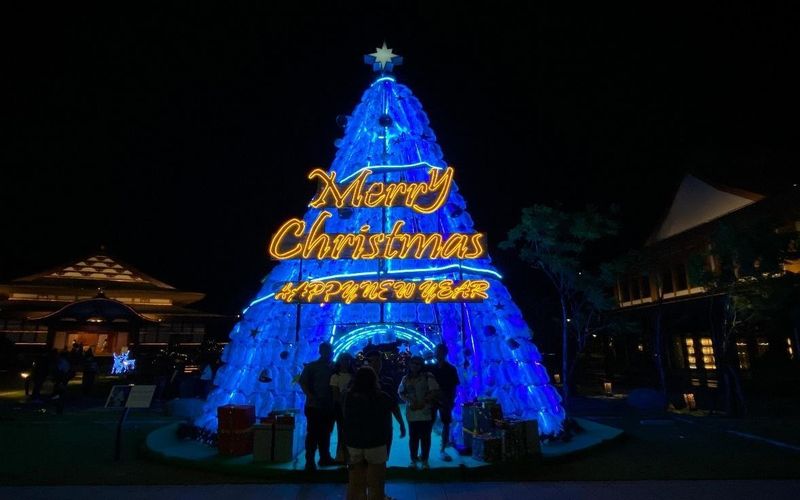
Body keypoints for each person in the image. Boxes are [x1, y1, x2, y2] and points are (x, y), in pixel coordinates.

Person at [343, 366, 396, 500]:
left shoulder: (348, 396)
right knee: (376, 483)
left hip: (354, 443)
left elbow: (346, 419)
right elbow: (386, 423)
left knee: (355, 483)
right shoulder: (382, 397)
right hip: (376, 443)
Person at [298, 341, 336, 470]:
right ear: (321, 352)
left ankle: (325, 457)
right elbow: (303, 382)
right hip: (314, 406)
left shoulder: (333, 367)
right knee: (313, 433)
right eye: (326, 351)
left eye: (330, 351)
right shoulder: (311, 367)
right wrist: (311, 396)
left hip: (328, 406)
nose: (329, 354)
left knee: (326, 432)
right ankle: (310, 461)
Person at [398, 356, 439, 469]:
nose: (415, 366)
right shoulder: (405, 378)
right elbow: (401, 392)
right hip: (412, 412)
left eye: (418, 363)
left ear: (421, 365)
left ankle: (425, 460)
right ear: (409, 365)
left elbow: (434, 390)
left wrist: (424, 401)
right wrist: (409, 401)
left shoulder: (428, 376)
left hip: (425, 411)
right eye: (413, 363)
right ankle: (413, 459)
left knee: (425, 437)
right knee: (413, 437)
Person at [364, 350, 406, 460]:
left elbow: (393, 404)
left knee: (383, 456)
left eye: (378, 361)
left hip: (384, 425)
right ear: (368, 363)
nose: (376, 364)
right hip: (365, 425)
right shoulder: (360, 381)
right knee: (366, 457)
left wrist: (401, 422)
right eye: (372, 361)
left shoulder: (387, 380)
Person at [430, 343, 459, 462]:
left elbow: (454, 386)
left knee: (446, 423)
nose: (438, 354)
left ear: (445, 353)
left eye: (440, 352)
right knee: (428, 423)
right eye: (437, 351)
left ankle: (442, 449)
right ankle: (426, 450)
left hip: (445, 399)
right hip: (432, 399)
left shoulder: (451, 369)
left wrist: (451, 400)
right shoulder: (430, 368)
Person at [330, 353, 355, 463]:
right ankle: (341, 456)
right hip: (340, 409)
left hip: (352, 409)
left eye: (347, 360)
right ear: (339, 361)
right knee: (342, 432)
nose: (345, 362)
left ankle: (350, 456)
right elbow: (335, 396)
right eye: (343, 360)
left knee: (351, 433)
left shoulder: (354, 376)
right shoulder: (335, 376)